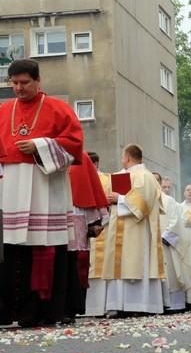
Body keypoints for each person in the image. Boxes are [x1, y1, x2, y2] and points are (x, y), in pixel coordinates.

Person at [0, 58, 83, 327]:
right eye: (14, 83)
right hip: (12, 185)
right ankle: (13, 313)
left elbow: (74, 145)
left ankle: (51, 311)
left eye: (24, 83)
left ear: (38, 80)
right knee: (13, 249)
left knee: (47, 246)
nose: (18, 88)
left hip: (45, 185)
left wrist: (40, 146)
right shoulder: (4, 110)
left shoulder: (59, 108)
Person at [102, 144, 165, 316]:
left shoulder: (144, 176)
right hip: (122, 229)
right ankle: (121, 305)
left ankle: (138, 305)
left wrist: (120, 198)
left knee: (136, 263)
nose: (122, 159)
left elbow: (144, 204)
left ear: (127, 157)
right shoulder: (124, 175)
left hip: (137, 230)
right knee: (121, 265)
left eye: (123, 155)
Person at [67, 152, 110, 321]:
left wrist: (97, 219)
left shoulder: (82, 157)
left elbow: (90, 188)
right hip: (54, 214)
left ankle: (72, 307)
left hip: (77, 214)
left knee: (77, 262)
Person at [155, 174, 189, 314]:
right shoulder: (144, 199)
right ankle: (155, 303)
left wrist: (164, 237)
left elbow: (175, 222)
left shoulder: (169, 201)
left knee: (170, 273)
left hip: (164, 243)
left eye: (157, 180)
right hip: (149, 245)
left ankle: (173, 304)